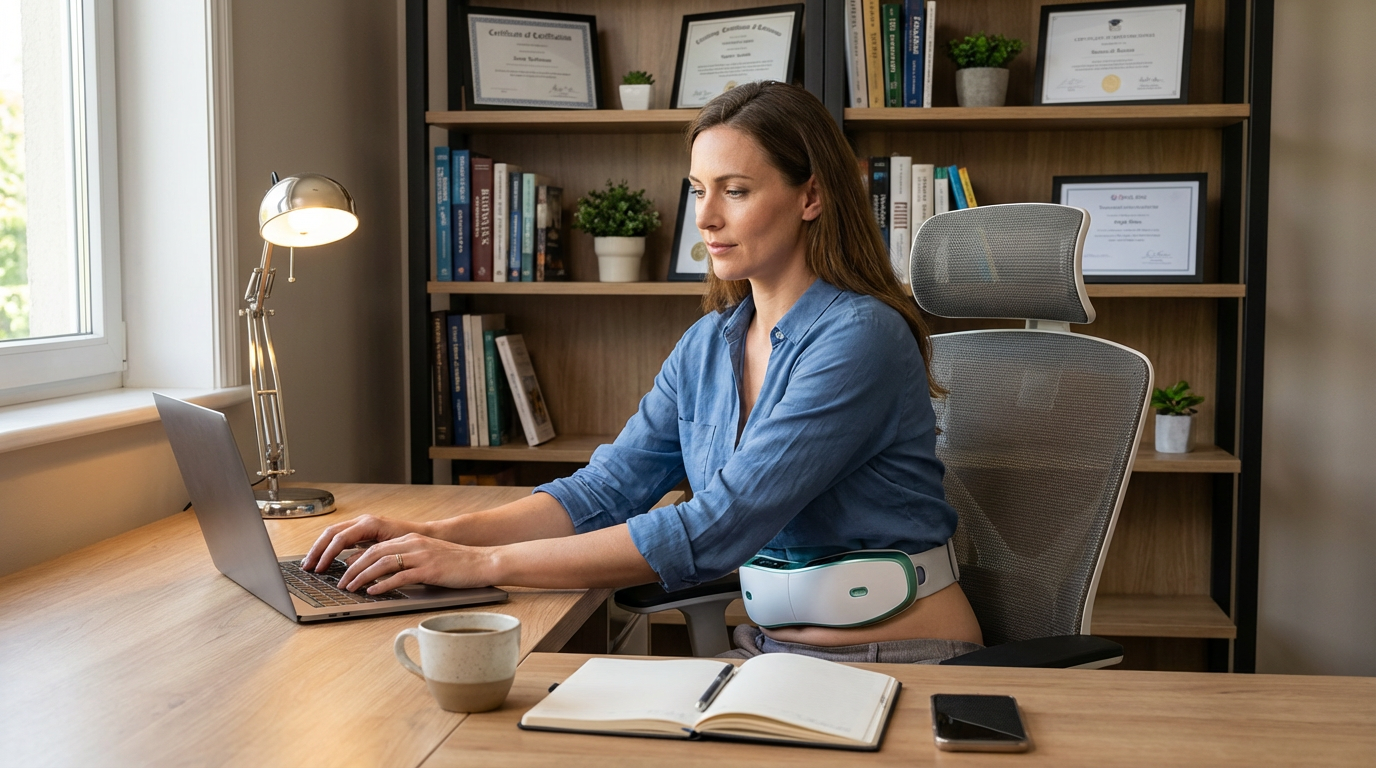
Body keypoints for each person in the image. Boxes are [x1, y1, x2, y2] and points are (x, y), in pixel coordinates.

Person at [302, 80, 984, 662]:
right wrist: (428, 539)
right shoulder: (709, 343)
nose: (707, 218)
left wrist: (482, 566)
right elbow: (606, 490)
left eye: (736, 191)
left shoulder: (859, 338)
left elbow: (719, 526)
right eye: (698, 190)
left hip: (900, 657)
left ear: (811, 197)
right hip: (773, 653)